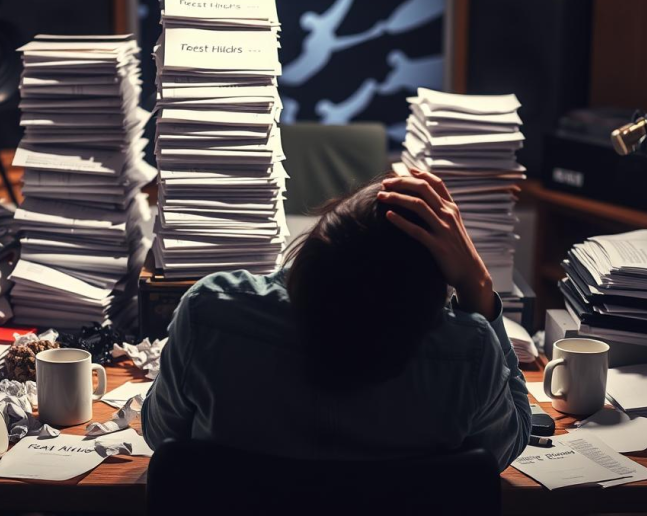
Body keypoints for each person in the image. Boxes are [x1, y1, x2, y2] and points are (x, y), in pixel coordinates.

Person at [141, 169, 531, 470]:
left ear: (315, 250)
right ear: (426, 300)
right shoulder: (468, 354)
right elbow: (503, 447)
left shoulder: (210, 314)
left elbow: (162, 435)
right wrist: (476, 283)